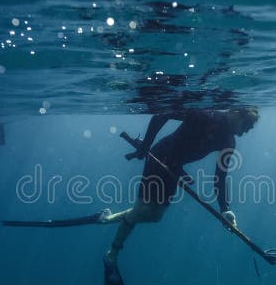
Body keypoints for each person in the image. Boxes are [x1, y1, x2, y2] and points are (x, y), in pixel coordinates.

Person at [101, 107, 260, 273]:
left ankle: (107, 218)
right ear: (236, 112)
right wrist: (145, 146)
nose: (242, 133)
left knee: (155, 216)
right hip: (160, 158)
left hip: (175, 169)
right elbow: (161, 114)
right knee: (142, 209)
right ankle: (113, 252)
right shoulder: (204, 115)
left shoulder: (228, 142)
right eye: (245, 126)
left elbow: (220, 177)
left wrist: (225, 209)